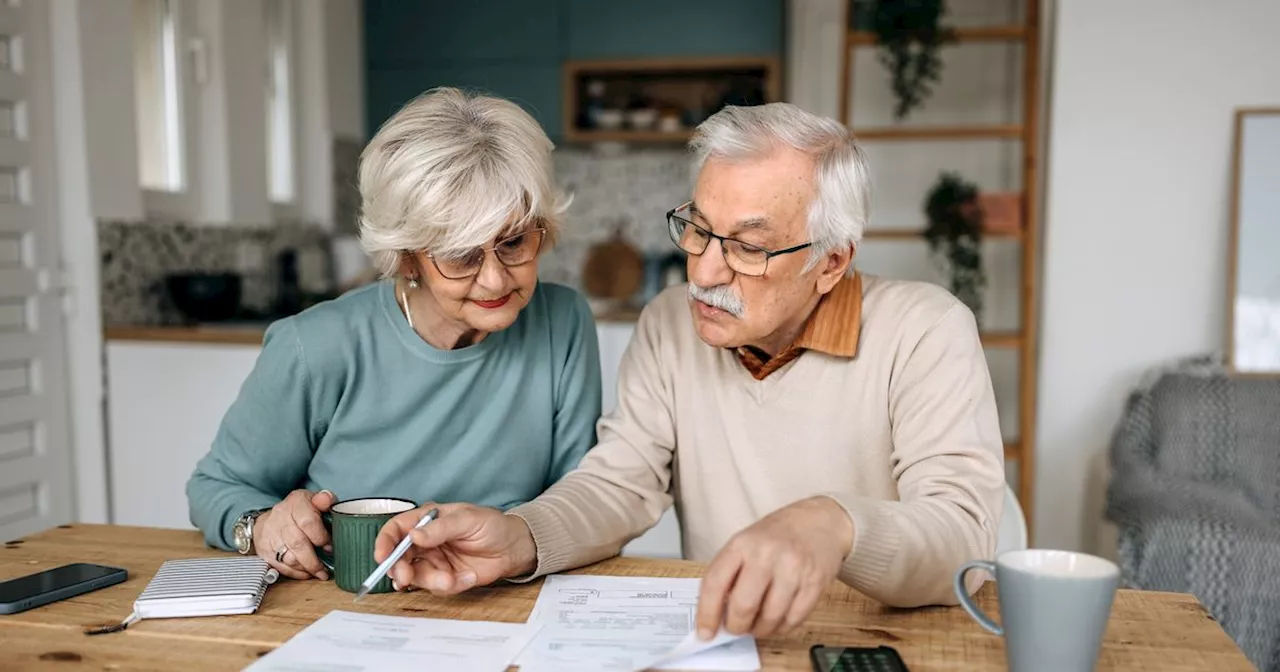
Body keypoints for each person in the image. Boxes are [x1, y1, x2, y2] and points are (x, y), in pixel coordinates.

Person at [375, 102, 1005, 638]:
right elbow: (619, 486)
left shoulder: (925, 330)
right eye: (699, 229)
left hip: (880, 643)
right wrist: (517, 536)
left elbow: (964, 538)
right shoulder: (669, 325)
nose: (702, 272)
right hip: (725, 641)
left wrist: (832, 523)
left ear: (832, 262)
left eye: (749, 248)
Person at [185, 87, 602, 583]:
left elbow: (580, 502)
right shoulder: (316, 345)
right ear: (407, 256)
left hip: (503, 603)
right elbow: (216, 486)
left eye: (514, 243)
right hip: (345, 610)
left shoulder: (564, 323)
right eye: (461, 254)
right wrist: (260, 526)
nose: (495, 279)